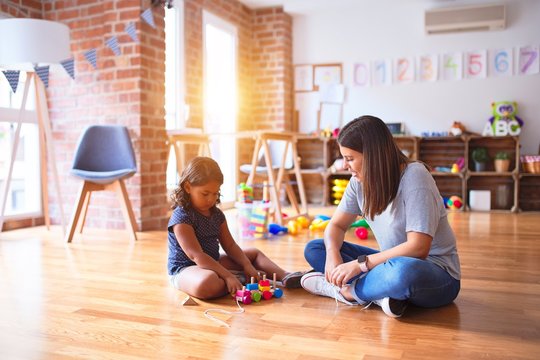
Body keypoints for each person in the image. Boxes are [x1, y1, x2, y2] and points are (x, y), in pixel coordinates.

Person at [301, 116, 461, 317]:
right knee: (316, 247)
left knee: (401, 271)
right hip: (387, 264)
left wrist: (359, 265)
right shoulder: (358, 182)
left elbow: (418, 248)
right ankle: (381, 295)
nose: (344, 165)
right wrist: (333, 256)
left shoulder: (415, 176)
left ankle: (349, 292)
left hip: (436, 275)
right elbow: (336, 226)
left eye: (350, 158)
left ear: (372, 155)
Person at [168, 156, 305, 299]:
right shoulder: (181, 218)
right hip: (186, 269)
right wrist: (227, 275)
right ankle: (242, 280)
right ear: (188, 187)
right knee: (206, 283)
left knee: (253, 254)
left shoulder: (217, 215)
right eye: (205, 193)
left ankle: (285, 277)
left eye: (215, 193)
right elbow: (197, 256)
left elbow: (230, 245)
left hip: (213, 263)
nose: (211, 199)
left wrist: (246, 265)